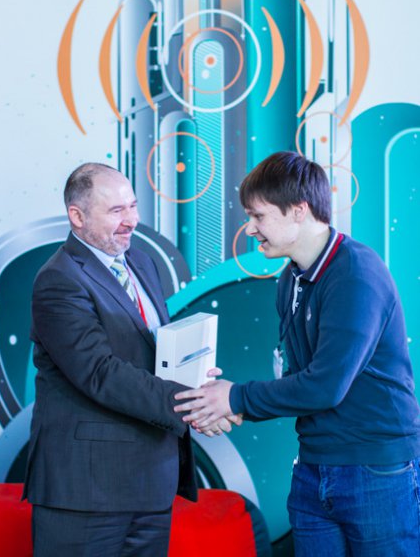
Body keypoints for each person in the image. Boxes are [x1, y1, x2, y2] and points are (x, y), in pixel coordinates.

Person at [174, 151, 420, 556]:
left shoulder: (356, 273)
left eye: (259, 216)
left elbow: (325, 386)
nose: (250, 229)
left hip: (375, 471)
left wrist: (234, 399)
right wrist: (228, 406)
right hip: (313, 467)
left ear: (299, 210)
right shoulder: (291, 279)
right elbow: (296, 379)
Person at [23, 162, 234, 557]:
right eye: (117, 210)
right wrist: (194, 403)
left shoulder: (141, 262)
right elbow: (100, 373)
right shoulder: (58, 280)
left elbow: (150, 354)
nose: (132, 221)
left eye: (133, 206)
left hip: (150, 482)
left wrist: (195, 376)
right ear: (77, 216)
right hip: (86, 491)